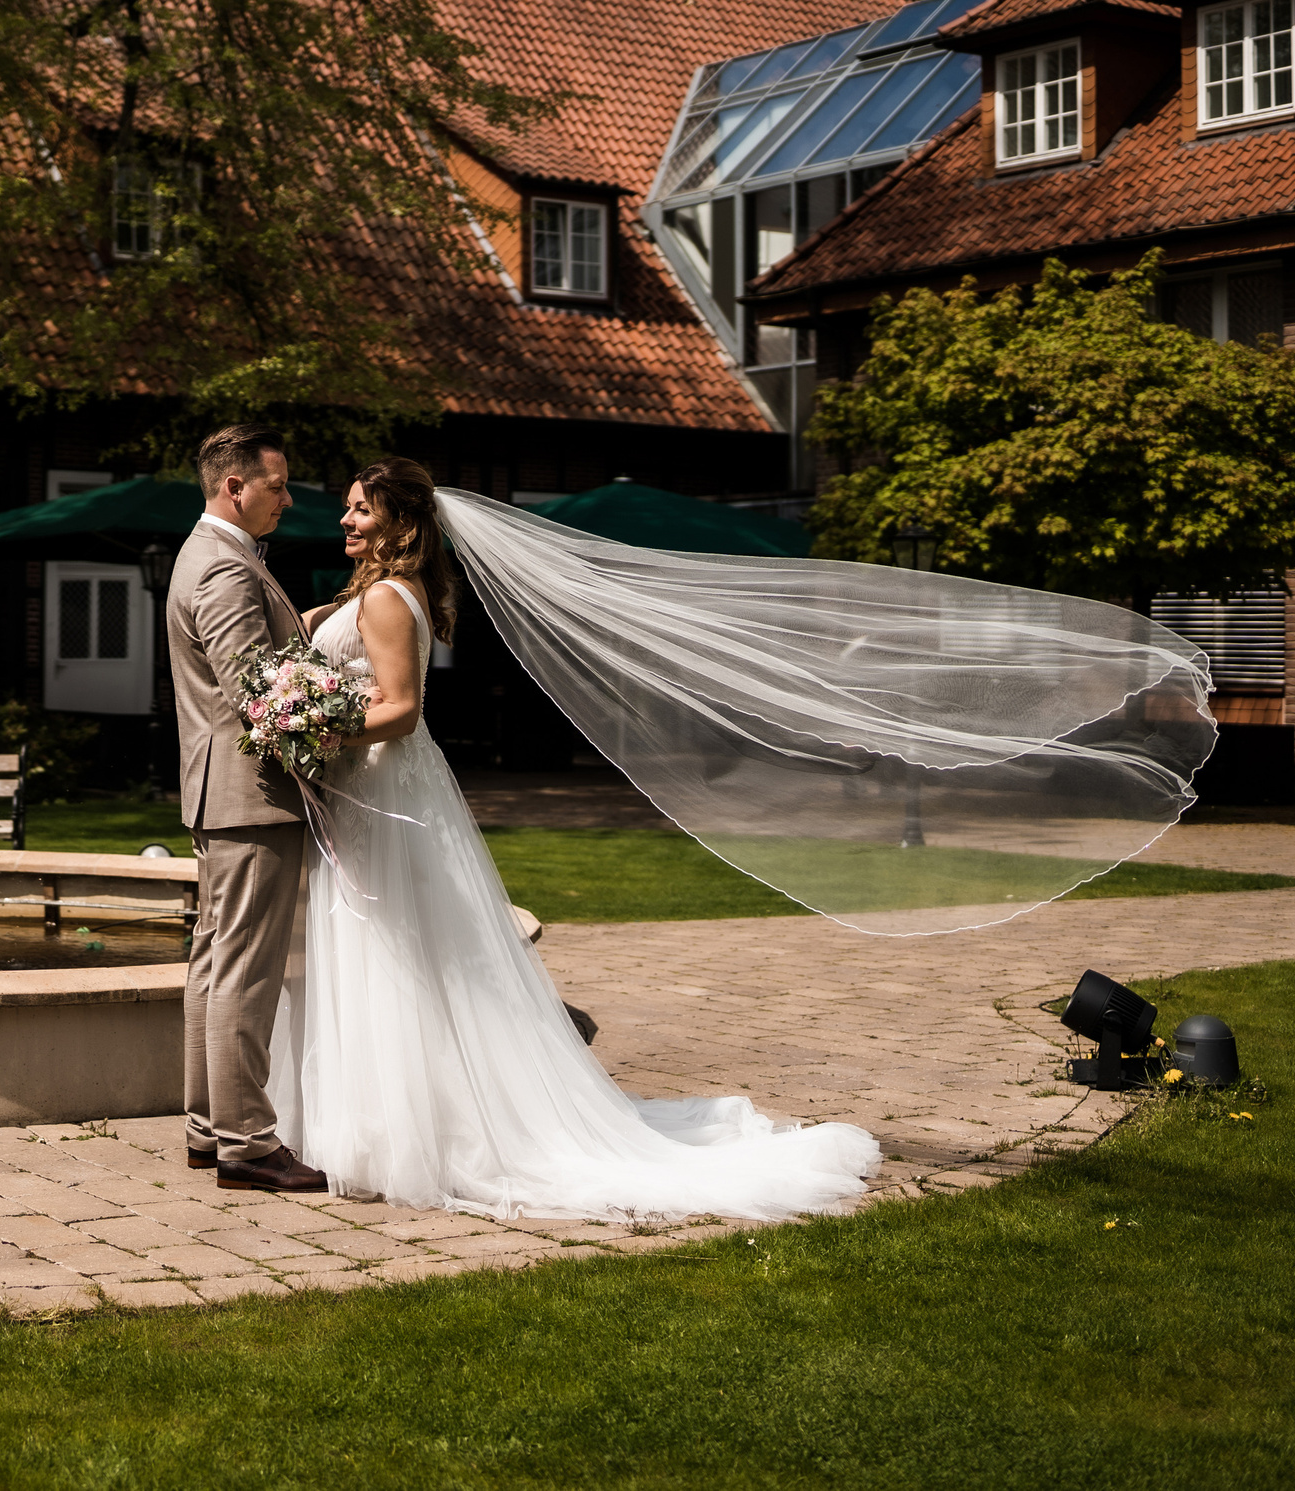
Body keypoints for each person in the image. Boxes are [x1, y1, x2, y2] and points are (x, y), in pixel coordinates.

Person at [269, 456, 881, 1220]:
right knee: (400, 952)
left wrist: (310, 725)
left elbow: (401, 709)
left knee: (400, 950)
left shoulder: (391, 598)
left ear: (400, 521)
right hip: (370, 792)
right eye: (349, 509)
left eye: (361, 509)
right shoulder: (373, 592)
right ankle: (387, 1121)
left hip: (382, 788)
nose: (346, 521)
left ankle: (421, 1132)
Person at [165, 425, 328, 1193]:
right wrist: (341, 735)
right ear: (235, 486)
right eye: (279, 485)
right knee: (244, 970)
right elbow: (260, 696)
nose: (289, 499)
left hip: (221, 795)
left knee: (213, 961)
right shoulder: (225, 568)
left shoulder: (211, 557)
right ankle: (247, 1142)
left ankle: (207, 1127)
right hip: (251, 797)